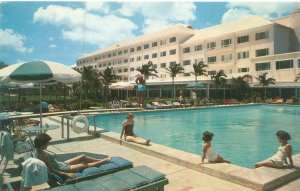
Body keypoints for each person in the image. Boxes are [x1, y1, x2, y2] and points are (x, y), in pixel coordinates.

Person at [34, 133, 111, 179]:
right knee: (84, 164)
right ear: (43, 144)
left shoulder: (37, 151)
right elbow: (52, 170)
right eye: (47, 142)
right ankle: (105, 161)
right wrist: (67, 174)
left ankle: (101, 160)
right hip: (63, 169)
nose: (48, 144)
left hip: (61, 164)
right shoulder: (44, 156)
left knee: (83, 156)